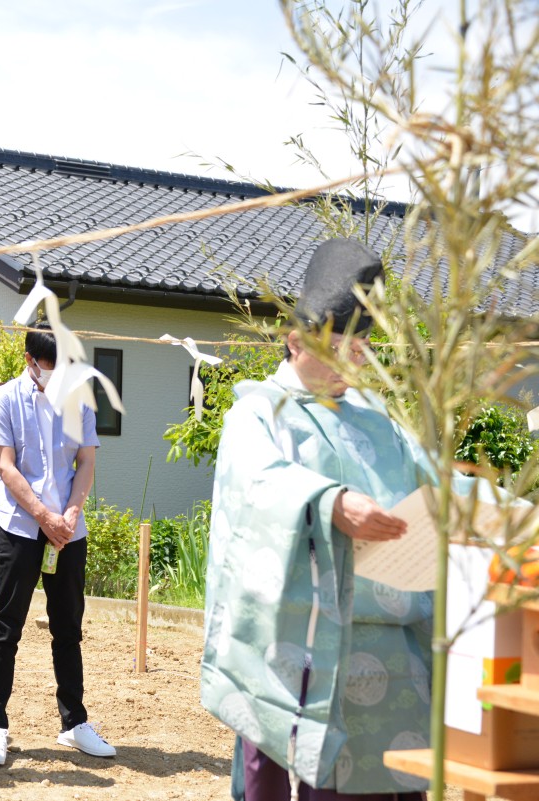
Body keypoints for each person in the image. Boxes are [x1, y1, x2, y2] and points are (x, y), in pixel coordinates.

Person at [201, 238, 433, 800]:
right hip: (298, 659)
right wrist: (329, 503)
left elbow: (437, 487)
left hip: (387, 655)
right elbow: (256, 483)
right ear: (296, 341)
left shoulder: (382, 422)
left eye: (362, 346)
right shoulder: (258, 411)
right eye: (339, 346)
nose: (354, 359)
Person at [0, 322, 115, 764]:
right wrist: (43, 515)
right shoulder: (4, 398)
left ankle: (74, 723)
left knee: (68, 628)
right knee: (7, 626)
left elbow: (87, 460)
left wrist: (71, 514)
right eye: (50, 367)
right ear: (30, 362)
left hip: (68, 531)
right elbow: (6, 466)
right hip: (20, 525)